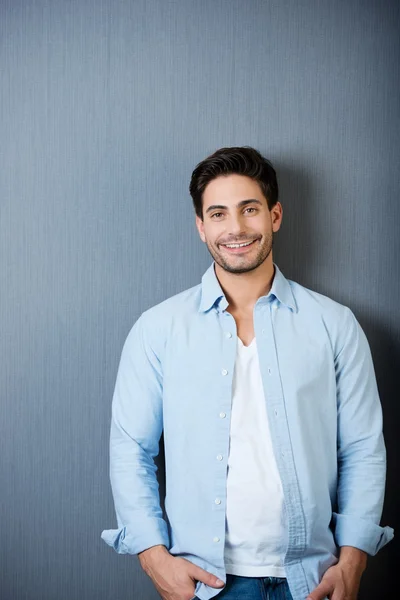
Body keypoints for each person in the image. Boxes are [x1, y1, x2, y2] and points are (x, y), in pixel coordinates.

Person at [101, 146, 394, 600]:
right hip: (208, 584)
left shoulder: (334, 325)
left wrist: (353, 561)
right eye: (218, 214)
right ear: (201, 227)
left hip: (315, 580)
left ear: (275, 216)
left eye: (249, 209)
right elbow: (130, 450)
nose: (235, 228)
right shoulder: (157, 330)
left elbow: (362, 449)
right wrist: (153, 557)